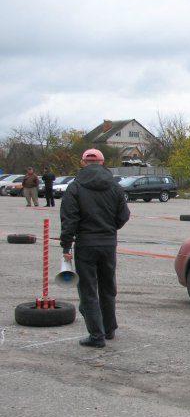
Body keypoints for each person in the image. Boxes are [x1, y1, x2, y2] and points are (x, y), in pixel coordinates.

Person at [60, 149, 130, 348]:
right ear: (103, 162)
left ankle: (96, 336)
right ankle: (109, 329)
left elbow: (69, 219)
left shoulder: (75, 188)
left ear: (83, 163)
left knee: (88, 290)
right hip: (108, 243)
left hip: (86, 244)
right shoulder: (116, 188)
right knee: (108, 287)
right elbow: (124, 215)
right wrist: (110, 229)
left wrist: (66, 244)